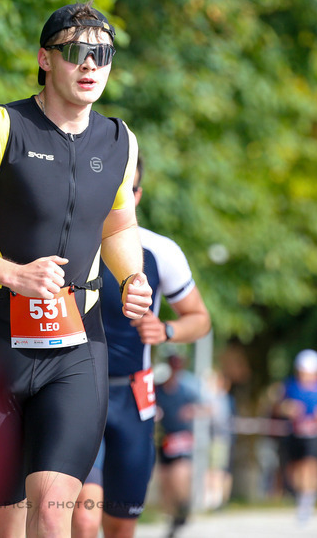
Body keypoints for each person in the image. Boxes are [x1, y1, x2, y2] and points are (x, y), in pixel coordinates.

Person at [0, 1, 153, 538]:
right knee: (4, 529)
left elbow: (118, 224)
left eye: (103, 55)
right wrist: (12, 274)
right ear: (45, 59)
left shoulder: (121, 142)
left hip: (77, 346)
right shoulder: (0, 127)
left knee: (52, 513)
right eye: (76, 52)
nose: (90, 65)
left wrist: (132, 277)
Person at [70, 159, 212, 538]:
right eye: (109, 189)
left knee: (121, 526)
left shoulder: (159, 250)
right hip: (76, 392)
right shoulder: (68, 242)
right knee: (84, 518)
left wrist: (166, 330)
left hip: (132, 398)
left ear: (137, 195)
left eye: (126, 191)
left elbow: (200, 318)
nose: (115, 199)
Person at [276, 349, 317, 526]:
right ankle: (301, 497)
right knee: (294, 470)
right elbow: (280, 405)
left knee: (310, 467)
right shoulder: (291, 385)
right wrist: (288, 408)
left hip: (314, 434)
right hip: (295, 433)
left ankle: (307, 504)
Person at [152, 350, 205, 538]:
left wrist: (192, 411)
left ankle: (184, 506)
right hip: (163, 440)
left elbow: (207, 407)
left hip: (181, 439)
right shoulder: (158, 388)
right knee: (166, 483)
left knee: (179, 476)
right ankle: (174, 517)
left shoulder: (188, 387)